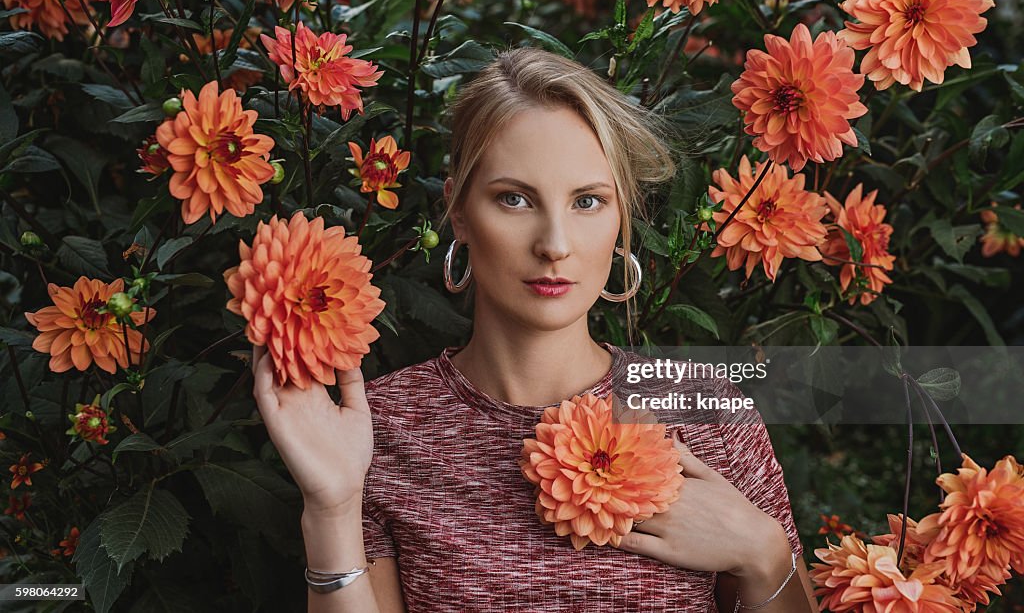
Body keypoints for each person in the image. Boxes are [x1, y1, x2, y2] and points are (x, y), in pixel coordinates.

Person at [251, 46, 819, 612]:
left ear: (622, 218)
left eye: (588, 202)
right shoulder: (379, 430)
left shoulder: (705, 408)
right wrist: (331, 506)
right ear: (460, 213)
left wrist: (763, 552)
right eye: (515, 199)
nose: (555, 244)